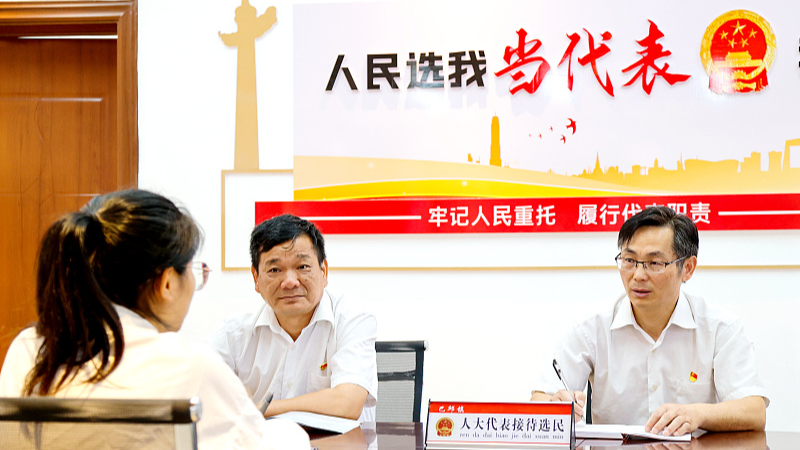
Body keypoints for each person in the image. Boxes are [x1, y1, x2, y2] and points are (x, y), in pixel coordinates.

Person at [0, 189, 309, 450]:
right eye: (191, 269)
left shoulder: (29, 350)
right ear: (166, 284)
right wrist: (292, 434)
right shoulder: (188, 366)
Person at [530, 206, 768, 436]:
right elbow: (540, 401)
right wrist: (554, 404)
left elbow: (753, 412)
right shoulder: (591, 328)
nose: (638, 275)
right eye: (629, 261)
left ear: (687, 268)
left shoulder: (720, 329)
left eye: (654, 263)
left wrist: (698, 414)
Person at [209, 214, 378, 421]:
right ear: (256, 279)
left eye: (302, 267)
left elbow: (347, 403)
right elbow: (202, 399)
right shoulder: (234, 335)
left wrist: (259, 409)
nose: (289, 282)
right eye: (274, 270)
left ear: (324, 271)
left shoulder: (352, 320)